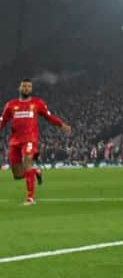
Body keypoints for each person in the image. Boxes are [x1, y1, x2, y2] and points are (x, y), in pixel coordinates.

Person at [0, 78, 72, 206]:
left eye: (28, 87)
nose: (26, 89)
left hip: (30, 139)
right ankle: (35, 171)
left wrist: (62, 125)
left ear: (31, 89)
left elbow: (49, 116)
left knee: (27, 163)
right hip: (15, 141)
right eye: (24, 86)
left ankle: (30, 198)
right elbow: (2, 121)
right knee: (18, 174)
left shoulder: (37, 103)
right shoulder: (11, 105)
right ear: (20, 88)